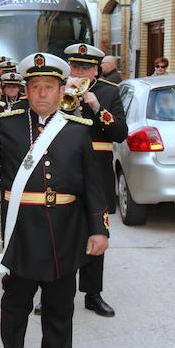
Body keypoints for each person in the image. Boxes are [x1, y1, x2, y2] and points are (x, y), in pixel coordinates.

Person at [0, 52, 109, 348]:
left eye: (49, 87)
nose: (42, 93)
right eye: (35, 87)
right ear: (26, 90)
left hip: (65, 230)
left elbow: (93, 184)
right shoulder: (8, 121)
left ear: (62, 90)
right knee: (15, 304)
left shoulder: (78, 130)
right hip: (21, 229)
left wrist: (99, 229)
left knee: (60, 305)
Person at [62, 43, 128, 318]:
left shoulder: (109, 92)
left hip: (97, 172)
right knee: (61, 230)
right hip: (64, 168)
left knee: (96, 229)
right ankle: (56, 290)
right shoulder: (58, 88)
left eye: (86, 68)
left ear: (97, 69)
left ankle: (92, 293)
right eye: (76, 67)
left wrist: (96, 106)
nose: (80, 72)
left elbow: (120, 133)